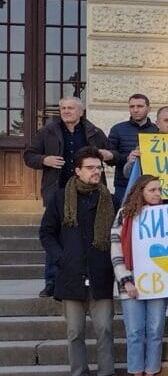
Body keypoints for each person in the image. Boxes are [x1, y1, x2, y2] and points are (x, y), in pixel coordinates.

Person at [38, 146, 121, 376]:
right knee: (75, 332)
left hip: (101, 275)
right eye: (91, 168)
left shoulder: (110, 199)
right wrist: (61, 258)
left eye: (99, 168)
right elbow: (47, 233)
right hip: (70, 276)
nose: (96, 172)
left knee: (105, 329)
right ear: (77, 171)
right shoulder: (61, 198)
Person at [25, 96, 116, 297]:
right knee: (55, 234)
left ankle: (95, 280)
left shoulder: (93, 131)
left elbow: (113, 155)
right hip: (58, 192)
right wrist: (44, 159)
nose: (66, 111)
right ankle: (51, 282)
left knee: (87, 238)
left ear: (81, 111)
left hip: (90, 193)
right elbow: (29, 156)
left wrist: (109, 155)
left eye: (70, 108)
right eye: (63, 108)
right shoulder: (47, 131)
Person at [110, 174, 168, 376]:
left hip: (159, 283)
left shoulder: (165, 215)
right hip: (131, 282)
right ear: (140, 191)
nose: (157, 194)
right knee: (134, 331)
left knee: (155, 329)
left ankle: (150, 375)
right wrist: (125, 279)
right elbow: (115, 248)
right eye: (152, 190)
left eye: (159, 190)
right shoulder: (125, 215)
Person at [108, 93, 159, 207]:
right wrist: (127, 159)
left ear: (149, 109)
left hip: (151, 185)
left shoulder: (157, 130)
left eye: (140, 106)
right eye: (132, 106)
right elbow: (111, 158)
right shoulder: (117, 129)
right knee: (125, 219)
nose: (135, 110)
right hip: (124, 184)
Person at [122, 105, 168, 183]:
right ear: (157, 124)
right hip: (154, 192)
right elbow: (127, 174)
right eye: (167, 120)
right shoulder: (147, 144)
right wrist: (131, 162)